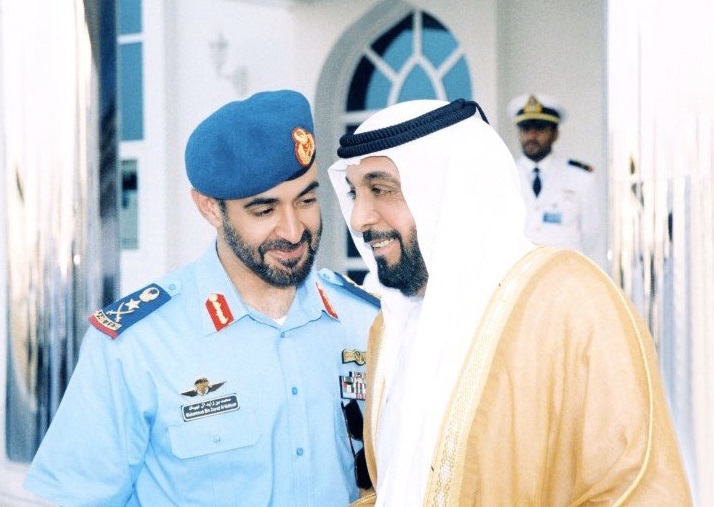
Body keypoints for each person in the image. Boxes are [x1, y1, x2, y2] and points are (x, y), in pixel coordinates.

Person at [327, 98, 692, 506]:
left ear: (451, 192)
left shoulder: (572, 305)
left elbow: (638, 491)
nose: (358, 218)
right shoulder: (390, 327)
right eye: (355, 193)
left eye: (381, 189)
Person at [23, 90, 379, 506]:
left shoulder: (366, 322)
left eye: (306, 200)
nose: (292, 229)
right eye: (264, 211)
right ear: (210, 208)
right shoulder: (135, 347)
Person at [507, 93, 600, 259]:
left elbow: (590, 238)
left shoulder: (580, 178)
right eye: (525, 128)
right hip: (518, 272)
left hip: (563, 272)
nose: (532, 136)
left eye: (540, 128)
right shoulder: (505, 175)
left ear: (555, 134)